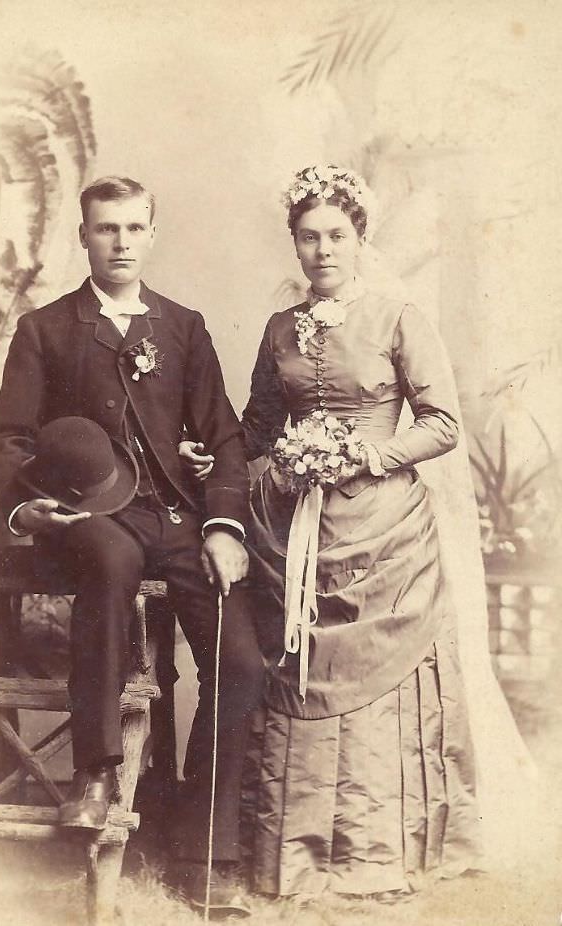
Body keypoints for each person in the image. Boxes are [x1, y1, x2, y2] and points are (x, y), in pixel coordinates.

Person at [180, 164, 487, 901]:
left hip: (384, 527)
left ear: (360, 238)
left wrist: (370, 452)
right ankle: (287, 854)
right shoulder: (280, 328)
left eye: (336, 236)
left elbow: (443, 423)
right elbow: (256, 427)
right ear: (294, 245)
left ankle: (373, 855)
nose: (322, 250)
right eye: (308, 237)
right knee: (294, 669)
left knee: (375, 674)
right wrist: (208, 455)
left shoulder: (398, 317)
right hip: (294, 526)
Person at [0, 175, 264, 915]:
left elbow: (227, 437)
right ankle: (97, 771)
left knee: (241, 663)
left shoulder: (183, 327)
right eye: (106, 229)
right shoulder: (46, 328)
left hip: (178, 518)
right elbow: (7, 439)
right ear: (83, 235)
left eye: (134, 228)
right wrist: (28, 507)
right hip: (93, 519)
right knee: (109, 560)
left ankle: (205, 849)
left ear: (151, 234)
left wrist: (224, 525)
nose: (120, 242)